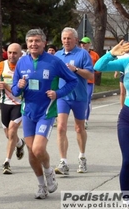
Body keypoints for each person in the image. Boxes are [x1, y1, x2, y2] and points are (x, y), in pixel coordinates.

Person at [11, 29, 78, 199]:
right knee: (32, 153)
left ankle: (49, 171)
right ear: (27, 43)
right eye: (31, 41)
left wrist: (58, 93)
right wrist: (19, 86)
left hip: (46, 112)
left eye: (37, 41)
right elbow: (14, 90)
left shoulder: (54, 62)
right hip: (28, 112)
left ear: (44, 42)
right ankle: (41, 185)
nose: (34, 44)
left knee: (38, 148)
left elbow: (73, 80)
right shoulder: (21, 63)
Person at [93, 32, 129, 203]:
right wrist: (111, 53)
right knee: (128, 161)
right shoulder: (127, 62)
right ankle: (126, 201)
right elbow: (99, 66)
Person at [54, 28, 94, 175]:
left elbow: (90, 74)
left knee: (79, 128)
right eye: (64, 38)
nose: (66, 41)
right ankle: (63, 161)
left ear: (76, 40)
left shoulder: (83, 54)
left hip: (79, 97)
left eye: (69, 38)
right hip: (63, 97)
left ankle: (82, 156)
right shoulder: (57, 55)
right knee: (61, 127)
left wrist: (75, 69)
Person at [0, 43, 25, 174]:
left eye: (15, 53)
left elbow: (21, 90)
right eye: (10, 52)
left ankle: (7, 162)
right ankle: (20, 143)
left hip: (19, 104)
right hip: (4, 103)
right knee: (8, 135)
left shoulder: (24, 68)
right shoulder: (1, 66)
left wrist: (7, 86)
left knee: (12, 132)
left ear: (21, 54)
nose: (12, 55)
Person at [79, 37, 100, 129]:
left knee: (87, 100)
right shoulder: (77, 54)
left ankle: (85, 120)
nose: (83, 45)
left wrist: (92, 70)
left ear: (89, 44)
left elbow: (99, 68)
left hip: (89, 82)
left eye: (85, 43)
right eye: (81, 43)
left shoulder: (94, 55)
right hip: (79, 81)